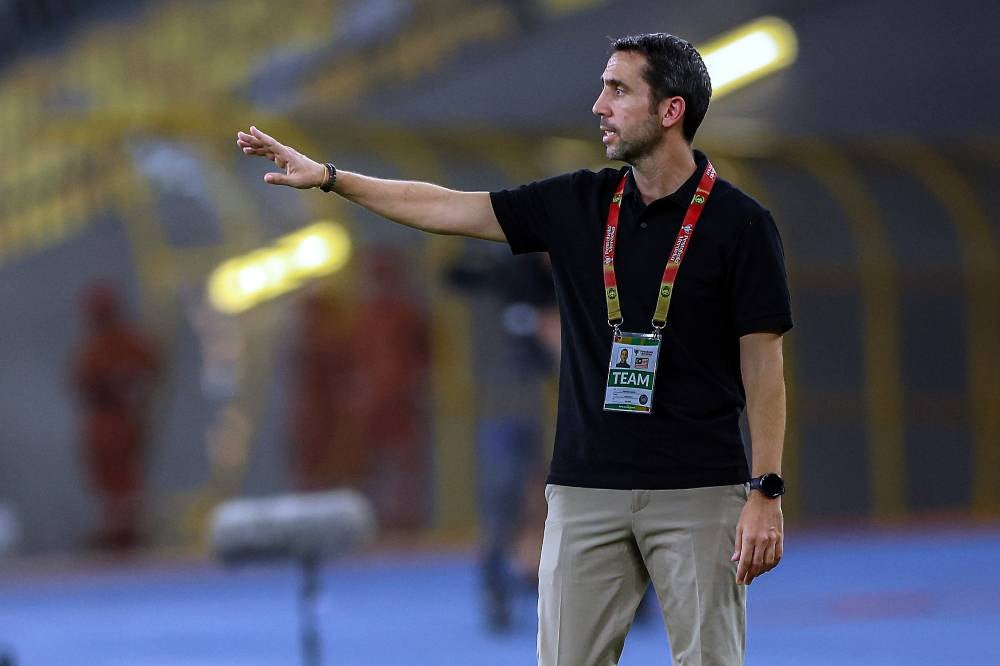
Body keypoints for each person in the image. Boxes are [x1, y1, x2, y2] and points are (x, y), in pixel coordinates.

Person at [237, 32, 791, 666]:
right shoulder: (579, 202)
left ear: (671, 111)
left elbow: (763, 364)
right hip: (586, 492)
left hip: (699, 492)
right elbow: (445, 207)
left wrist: (765, 490)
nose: (598, 105)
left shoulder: (741, 223)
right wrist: (332, 179)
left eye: (618, 89)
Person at [72, 283, 159, 550]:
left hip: (118, 423)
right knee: (108, 483)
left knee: (122, 482)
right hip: (106, 424)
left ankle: (123, 530)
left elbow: (144, 374)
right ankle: (115, 529)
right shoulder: (95, 348)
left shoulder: (121, 345)